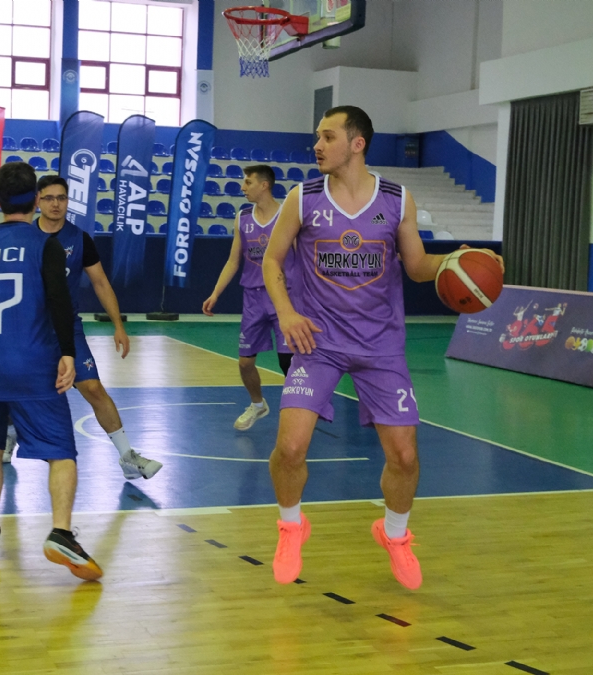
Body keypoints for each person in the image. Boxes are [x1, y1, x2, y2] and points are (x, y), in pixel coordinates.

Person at [262, 106, 502, 589]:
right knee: (289, 447)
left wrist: (456, 261)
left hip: (381, 346)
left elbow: (416, 266)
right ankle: (291, 528)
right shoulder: (303, 198)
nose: (317, 145)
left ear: (357, 143)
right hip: (320, 342)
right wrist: (286, 313)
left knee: (405, 457)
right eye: (317, 137)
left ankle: (395, 535)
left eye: (328, 136)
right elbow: (272, 259)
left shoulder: (396, 199)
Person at [0, 162, 102, 581]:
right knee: (61, 452)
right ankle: (60, 532)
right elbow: (60, 302)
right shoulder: (45, 245)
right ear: (36, 199)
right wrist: (67, 353)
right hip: (31, 362)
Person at [4, 175, 162, 480]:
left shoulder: (79, 239)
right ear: (37, 201)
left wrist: (118, 325)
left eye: (61, 198)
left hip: (66, 329)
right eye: (49, 198)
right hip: (26, 330)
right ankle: (9, 436)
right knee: (18, 388)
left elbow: (100, 283)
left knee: (93, 387)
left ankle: (128, 457)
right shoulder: (22, 236)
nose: (55, 204)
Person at [202, 165, 293, 431]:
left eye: (248, 182)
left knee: (288, 362)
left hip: (283, 296)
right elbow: (233, 261)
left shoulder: (288, 215)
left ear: (264, 185)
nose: (243, 187)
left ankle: (297, 413)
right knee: (244, 363)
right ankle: (257, 404)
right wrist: (215, 293)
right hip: (253, 298)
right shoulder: (242, 218)